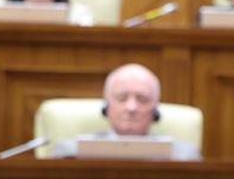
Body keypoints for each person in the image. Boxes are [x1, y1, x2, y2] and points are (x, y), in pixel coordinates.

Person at [48, 64, 200, 161]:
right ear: (106, 106)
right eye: (121, 98)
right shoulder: (70, 154)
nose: (131, 107)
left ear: (156, 110)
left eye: (142, 99)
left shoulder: (183, 157)